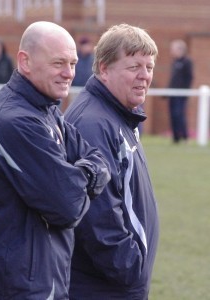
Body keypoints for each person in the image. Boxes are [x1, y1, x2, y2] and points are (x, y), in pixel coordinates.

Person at [0, 21, 111, 300]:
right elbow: (68, 205)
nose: (69, 74)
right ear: (25, 62)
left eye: (73, 63)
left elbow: (99, 159)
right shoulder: (15, 121)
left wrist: (78, 175)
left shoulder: (47, 110)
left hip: (41, 280)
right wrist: (84, 177)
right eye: (58, 63)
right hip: (10, 288)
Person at [65, 23, 159, 299]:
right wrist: (130, 269)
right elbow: (98, 216)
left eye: (149, 67)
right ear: (104, 69)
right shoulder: (93, 124)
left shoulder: (117, 114)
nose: (144, 76)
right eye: (134, 67)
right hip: (102, 287)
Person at [167, 39, 193, 143]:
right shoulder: (174, 62)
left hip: (181, 94)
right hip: (172, 94)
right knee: (173, 115)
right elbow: (173, 79)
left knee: (179, 114)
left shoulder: (187, 62)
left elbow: (189, 78)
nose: (171, 51)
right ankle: (176, 138)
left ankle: (185, 137)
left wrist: (185, 92)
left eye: (173, 49)